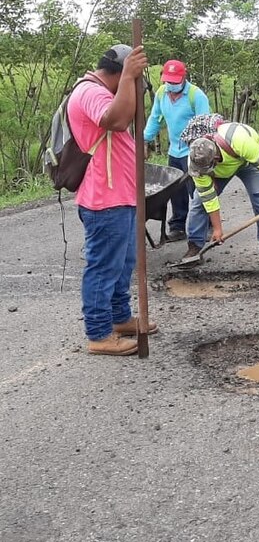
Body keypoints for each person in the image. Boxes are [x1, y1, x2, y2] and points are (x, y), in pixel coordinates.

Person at [68, 43, 158, 356]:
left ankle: (119, 317)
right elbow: (117, 121)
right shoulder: (91, 92)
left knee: (123, 264)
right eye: (130, 79)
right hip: (104, 200)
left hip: (120, 195)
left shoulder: (105, 90)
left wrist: (130, 81)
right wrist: (130, 78)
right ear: (119, 74)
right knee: (104, 267)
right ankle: (98, 333)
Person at [178, 116, 259, 273]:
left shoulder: (242, 142)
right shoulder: (196, 160)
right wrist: (217, 229)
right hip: (222, 168)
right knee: (199, 202)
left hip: (248, 162)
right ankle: (195, 247)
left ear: (215, 159)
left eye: (206, 171)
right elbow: (208, 198)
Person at [143, 59, 211, 241]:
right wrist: (144, 140)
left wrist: (199, 152)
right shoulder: (161, 94)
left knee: (198, 190)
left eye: (174, 81)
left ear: (184, 77)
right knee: (175, 191)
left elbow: (205, 125)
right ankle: (178, 226)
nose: (171, 85)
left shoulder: (196, 96)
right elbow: (155, 119)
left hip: (193, 151)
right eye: (168, 81)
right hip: (174, 151)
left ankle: (208, 223)